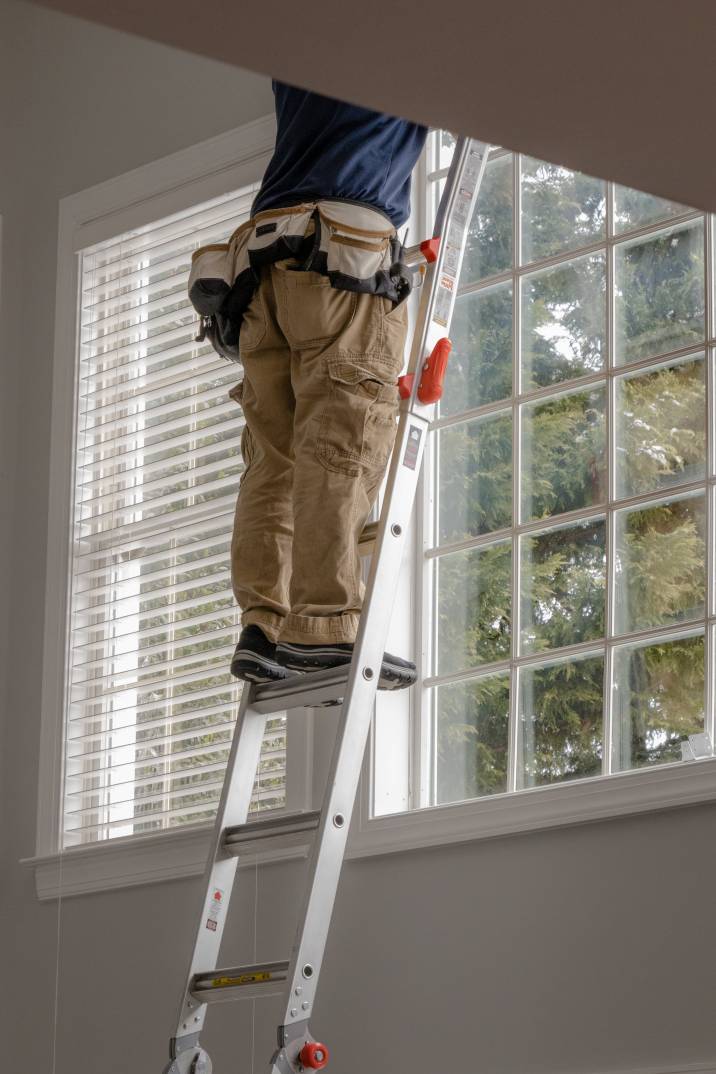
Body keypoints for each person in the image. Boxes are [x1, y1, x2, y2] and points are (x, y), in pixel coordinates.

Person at [228, 81, 427, 687]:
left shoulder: (311, 35)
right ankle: (325, 623)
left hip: (264, 256)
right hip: (345, 251)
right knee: (341, 441)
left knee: (275, 457)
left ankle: (264, 622)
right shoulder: (400, 38)